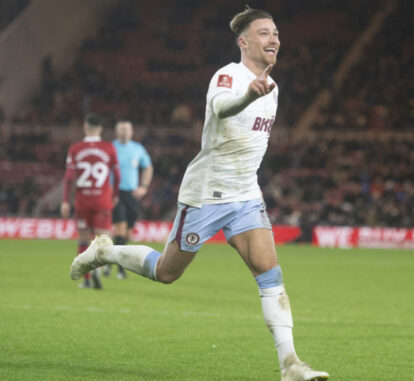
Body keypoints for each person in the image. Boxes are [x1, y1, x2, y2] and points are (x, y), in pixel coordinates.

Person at [70, 8, 329, 381]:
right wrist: (246, 98)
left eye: (275, 33)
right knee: (167, 271)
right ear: (243, 42)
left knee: (270, 276)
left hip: (245, 195)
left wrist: (257, 96)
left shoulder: (273, 88)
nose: (274, 39)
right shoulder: (229, 76)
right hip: (207, 194)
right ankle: (105, 252)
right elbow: (222, 109)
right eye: (264, 33)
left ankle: (290, 364)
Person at [62, 113, 120, 289]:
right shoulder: (109, 148)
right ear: (100, 128)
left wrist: (65, 200)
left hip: (82, 201)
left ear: (85, 127)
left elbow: (69, 177)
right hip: (102, 200)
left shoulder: (76, 148)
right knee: (102, 238)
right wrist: (115, 195)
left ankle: (86, 278)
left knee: (83, 239)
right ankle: (98, 269)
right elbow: (117, 175)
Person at [104, 120, 153, 279]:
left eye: (127, 130)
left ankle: (107, 260)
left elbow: (148, 167)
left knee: (128, 233)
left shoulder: (137, 149)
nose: (125, 132)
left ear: (131, 132)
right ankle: (120, 268)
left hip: (132, 194)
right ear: (116, 132)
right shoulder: (111, 148)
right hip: (116, 193)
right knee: (120, 229)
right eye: (122, 130)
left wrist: (144, 186)